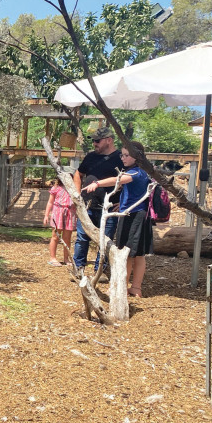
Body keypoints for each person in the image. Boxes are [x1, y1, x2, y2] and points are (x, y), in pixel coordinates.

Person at [81, 141, 153, 298]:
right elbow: (138, 193)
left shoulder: (136, 172)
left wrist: (97, 183)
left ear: (137, 156)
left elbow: (117, 180)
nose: (123, 158)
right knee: (137, 254)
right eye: (122, 154)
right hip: (134, 212)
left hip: (135, 217)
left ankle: (122, 287)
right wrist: (123, 203)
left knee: (127, 254)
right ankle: (135, 288)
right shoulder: (137, 171)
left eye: (127, 155)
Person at [72, 127, 124, 275]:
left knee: (106, 241)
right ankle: (78, 268)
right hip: (87, 205)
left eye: (97, 141)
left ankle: (100, 270)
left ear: (109, 140)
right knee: (82, 238)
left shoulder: (121, 157)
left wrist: (123, 202)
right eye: (93, 140)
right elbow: (78, 174)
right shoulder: (91, 157)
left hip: (108, 208)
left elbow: (129, 180)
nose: (94, 143)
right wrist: (77, 195)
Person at [43, 176, 76, 266]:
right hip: (58, 212)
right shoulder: (56, 188)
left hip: (70, 213)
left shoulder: (74, 188)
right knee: (55, 236)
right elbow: (50, 202)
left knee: (67, 238)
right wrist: (46, 215)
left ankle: (66, 259)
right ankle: (52, 258)